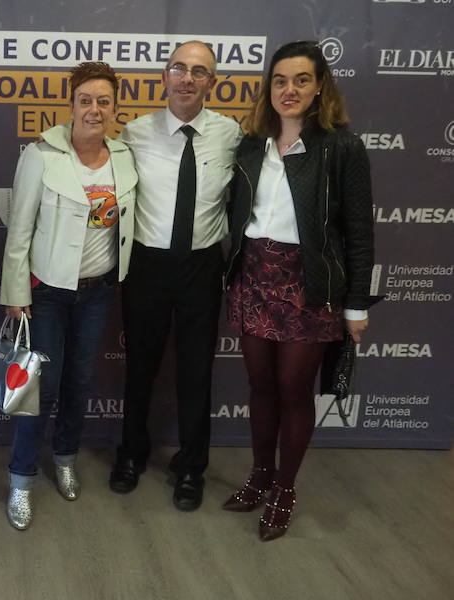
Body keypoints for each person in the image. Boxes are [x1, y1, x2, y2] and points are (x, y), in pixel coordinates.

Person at [222, 41, 381, 541]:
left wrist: (355, 304)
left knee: (294, 390)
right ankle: (260, 475)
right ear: (268, 88)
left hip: (310, 285)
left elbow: (359, 231)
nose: (289, 91)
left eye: (301, 80)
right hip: (254, 276)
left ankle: (285, 489)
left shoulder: (342, 147)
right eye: (280, 81)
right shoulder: (251, 144)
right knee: (261, 386)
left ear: (319, 88)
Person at [0, 62, 137, 530]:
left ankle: (64, 456)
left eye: (103, 101)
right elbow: (18, 231)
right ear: (72, 105)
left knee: (79, 382)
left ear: (115, 109)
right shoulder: (41, 156)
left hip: (99, 292)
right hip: (49, 294)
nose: (94, 109)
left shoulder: (124, 156)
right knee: (40, 388)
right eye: (85, 100)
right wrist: (15, 291)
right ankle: (20, 479)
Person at [109, 41, 243, 511]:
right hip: (146, 265)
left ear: (212, 82)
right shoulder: (134, 132)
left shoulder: (230, 134)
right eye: (179, 69)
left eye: (199, 71)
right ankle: (131, 453)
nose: (187, 78)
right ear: (164, 76)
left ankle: (190, 467)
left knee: (195, 372)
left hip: (202, 266)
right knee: (140, 367)